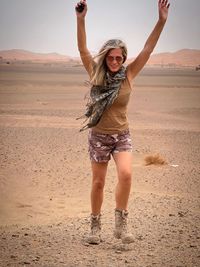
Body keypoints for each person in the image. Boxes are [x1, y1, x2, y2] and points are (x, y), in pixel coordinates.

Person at [75, 0, 170, 244]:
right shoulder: (96, 73)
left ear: (124, 58)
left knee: (126, 175)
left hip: (121, 135)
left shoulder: (129, 74)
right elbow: (84, 50)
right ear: (106, 57)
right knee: (98, 182)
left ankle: (121, 223)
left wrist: (161, 21)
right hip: (99, 136)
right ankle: (95, 226)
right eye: (112, 58)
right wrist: (81, 19)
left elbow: (148, 49)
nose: (115, 62)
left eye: (119, 58)